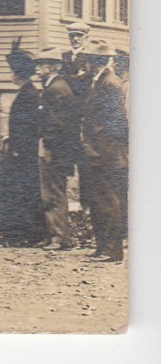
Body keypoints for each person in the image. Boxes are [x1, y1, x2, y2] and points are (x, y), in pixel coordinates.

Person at [80, 42, 128, 263]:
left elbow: (115, 123)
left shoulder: (109, 84)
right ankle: (102, 248)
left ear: (94, 61)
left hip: (107, 154)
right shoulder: (98, 81)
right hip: (97, 152)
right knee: (98, 201)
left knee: (109, 202)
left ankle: (112, 250)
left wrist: (102, 150)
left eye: (89, 59)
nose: (87, 63)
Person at [0, 41, 45, 244]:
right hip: (21, 148)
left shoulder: (29, 94)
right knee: (20, 189)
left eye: (13, 72)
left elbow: (27, 126)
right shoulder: (26, 92)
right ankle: (23, 231)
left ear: (18, 74)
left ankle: (30, 233)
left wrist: (16, 147)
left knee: (26, 190)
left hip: (25, 151)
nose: (11, 75)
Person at [30, 47, 81, 250]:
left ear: (54, 67)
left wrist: (51, 147)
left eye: (42, 64)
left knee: (55, 192)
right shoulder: (53, 86)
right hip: (52, 146)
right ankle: (53, 234)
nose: (38, 68)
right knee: (49, 193)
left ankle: (60, 237)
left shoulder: (57, 88)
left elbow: (58, 123)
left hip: (55, 149)